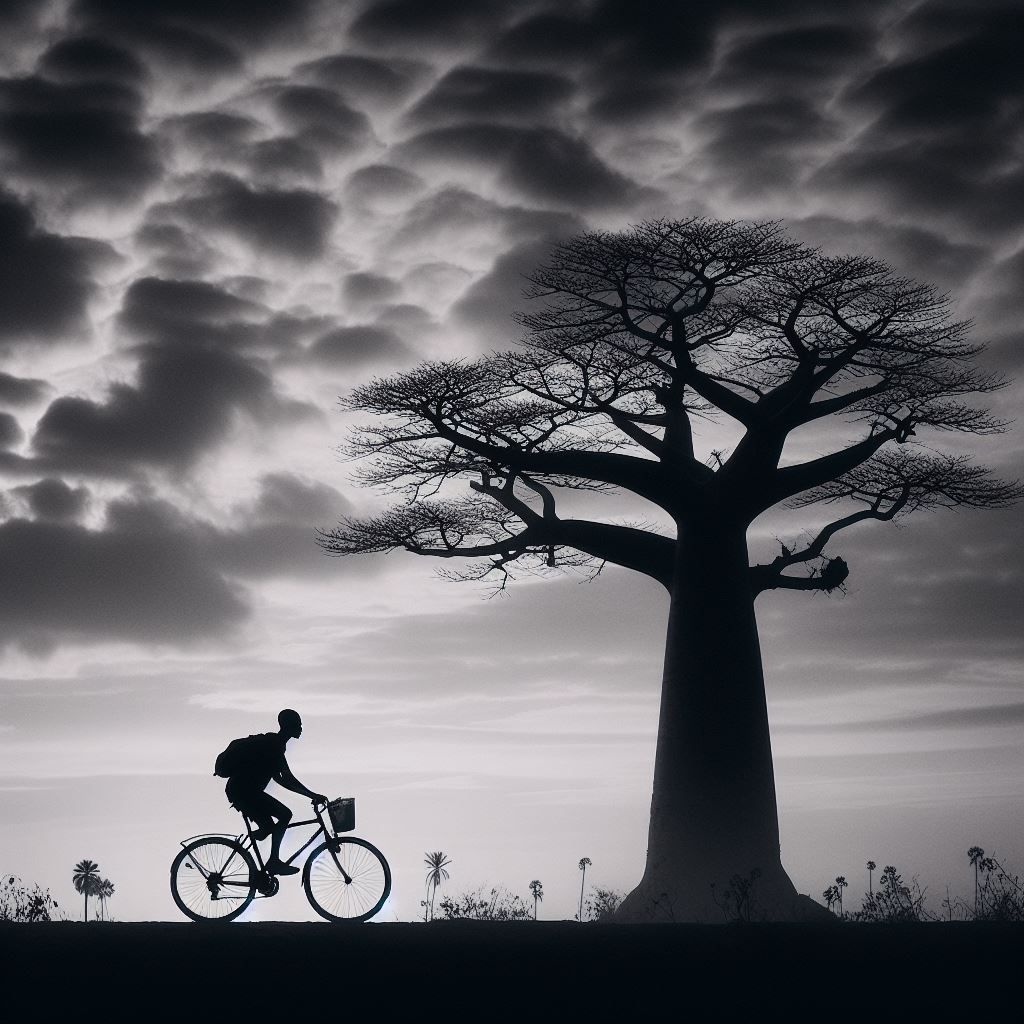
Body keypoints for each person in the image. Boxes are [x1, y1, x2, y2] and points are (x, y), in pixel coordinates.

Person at [222, 709, 326, 876]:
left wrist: (310, 794)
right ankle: (273, 862)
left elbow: (280, 778)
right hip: (244, 792)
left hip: (243, 791)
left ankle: (258, 859)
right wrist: (312, 795)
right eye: (298, 724)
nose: (301, 728)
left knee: (268, 827)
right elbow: (287, 778)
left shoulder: (275, 744)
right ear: (289, 726)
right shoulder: (274, 745)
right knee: (285, 815)